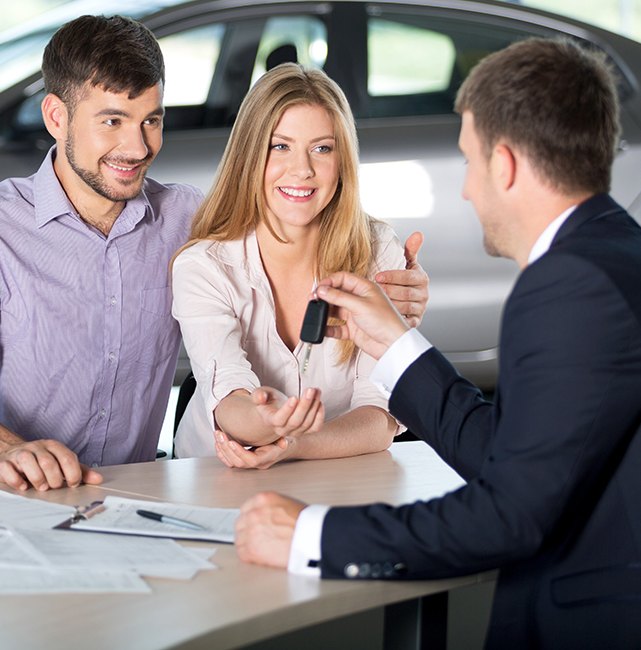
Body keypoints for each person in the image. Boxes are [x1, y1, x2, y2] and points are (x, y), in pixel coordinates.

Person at [0, 15, 428, 495]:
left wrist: (403, 300)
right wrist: (2, 450)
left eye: (152, 120)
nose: (138, 146)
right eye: (113, 120)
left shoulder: (191, 224)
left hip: (115, 507)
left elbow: (290, 222)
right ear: (56, 117)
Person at [234, 38, 641, 649]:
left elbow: (511, 514)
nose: (466, 191)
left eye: (470, 164)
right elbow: (511, 453)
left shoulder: (567, 285)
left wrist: (311, 536)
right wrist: (395, 342)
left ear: (504, 165)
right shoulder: (617, 252)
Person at [171, 64, 424, 467]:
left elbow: (380, 417)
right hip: (217, 475)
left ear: (342, 161)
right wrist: (266, 420)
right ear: (249, 155)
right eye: (280, 146)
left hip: (336, 473)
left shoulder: (378, 253)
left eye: (322, 148)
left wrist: (294, 443)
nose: (302, 169)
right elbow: (230, 403)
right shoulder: (204, 266)